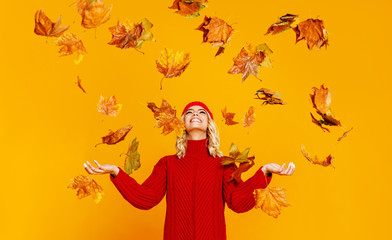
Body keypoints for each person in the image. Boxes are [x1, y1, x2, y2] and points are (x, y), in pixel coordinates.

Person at [84, 101, 295, 240]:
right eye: (190, 112)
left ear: (209, 123)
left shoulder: (223, 164)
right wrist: (116, 173)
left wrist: (264, 172)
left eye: (202, 112)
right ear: (183, 122)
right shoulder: (168, 164)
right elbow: (145, 198)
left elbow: (238, 203)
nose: (196, 114)